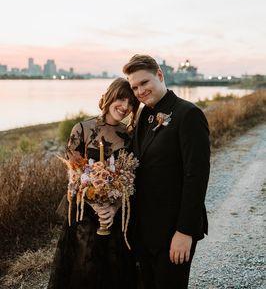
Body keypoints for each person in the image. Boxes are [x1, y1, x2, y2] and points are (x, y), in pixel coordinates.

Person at [123, 55, 210, 289]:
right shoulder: (143, 115)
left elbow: (197, 177)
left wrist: (185, 231)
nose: (140, 91)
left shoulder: (188, 114)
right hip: (142, 229)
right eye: (134, 87)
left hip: (173, 231)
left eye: (144, 83)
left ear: (160, 75)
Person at [48, 77, 140, 289]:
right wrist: (96, 203)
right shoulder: (81, 129)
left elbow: (131, 177)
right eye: (121, 99)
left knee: (114, 271)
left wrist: (113, 207)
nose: (125, 107)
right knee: (83, 268)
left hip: (115, 217)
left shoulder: (129, 137)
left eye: (131, 103)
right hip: (84, 214)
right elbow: (73, 176)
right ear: (109, 97)